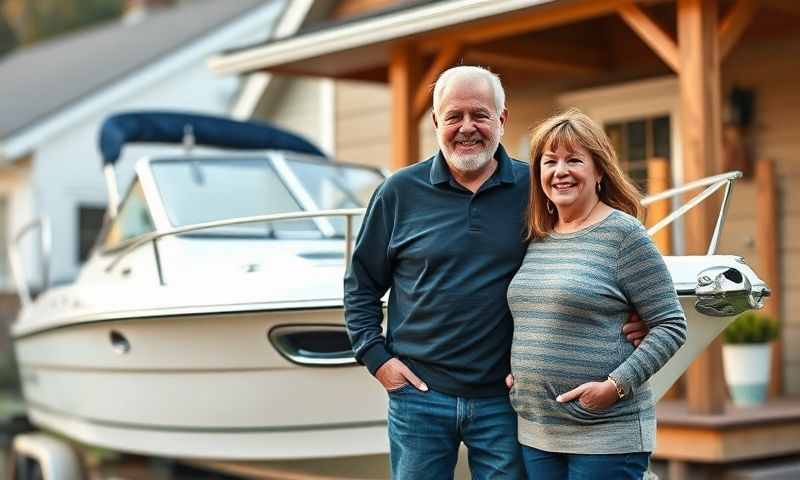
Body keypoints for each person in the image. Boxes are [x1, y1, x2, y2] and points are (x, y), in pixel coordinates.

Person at [344, 66, 647, 480]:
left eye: (480, 115)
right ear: (436, 123)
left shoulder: (536, 189)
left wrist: (633, 311)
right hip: (418, 397)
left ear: (501, 120)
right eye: (454, 116)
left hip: (505, 401)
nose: (467, 128)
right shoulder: (398, 192)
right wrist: (377, 359)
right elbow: (360, 286)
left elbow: (589, 246)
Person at [507, 109, 688, 480]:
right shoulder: (538, 236)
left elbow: (671, 325)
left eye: (574, 160)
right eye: (550, 161)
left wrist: (615, 386)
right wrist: (518, 374)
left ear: (600, 170)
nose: (560, 171)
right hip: (538, 432)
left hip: (606, 435)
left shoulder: (623, 235)